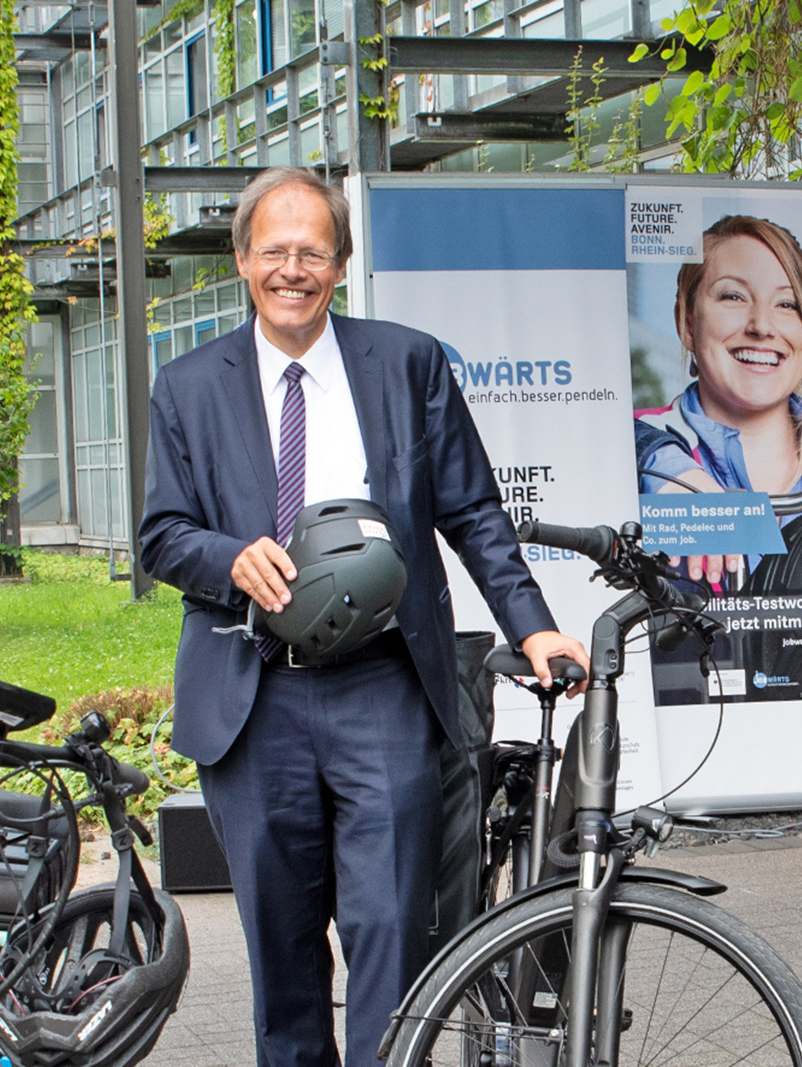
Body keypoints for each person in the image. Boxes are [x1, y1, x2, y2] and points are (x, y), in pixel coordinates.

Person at [135, 166, 590, 1067]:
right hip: (254, 696)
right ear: (241, 260)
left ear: (340, 265)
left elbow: (472, 512)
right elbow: (161, 534)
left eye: (312, 251)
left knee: (394, 942)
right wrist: (228, 559)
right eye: (275, 250)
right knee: (284, 961)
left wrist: (531, 623)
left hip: (384, 689)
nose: (292, 269)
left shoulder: (407, 362)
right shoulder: (186, 385)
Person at [634, 215, 802, 592]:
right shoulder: (637, 448)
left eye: (787, 304)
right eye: (733, 296)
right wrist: (664, 466)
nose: (761, 325)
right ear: (686, 323)